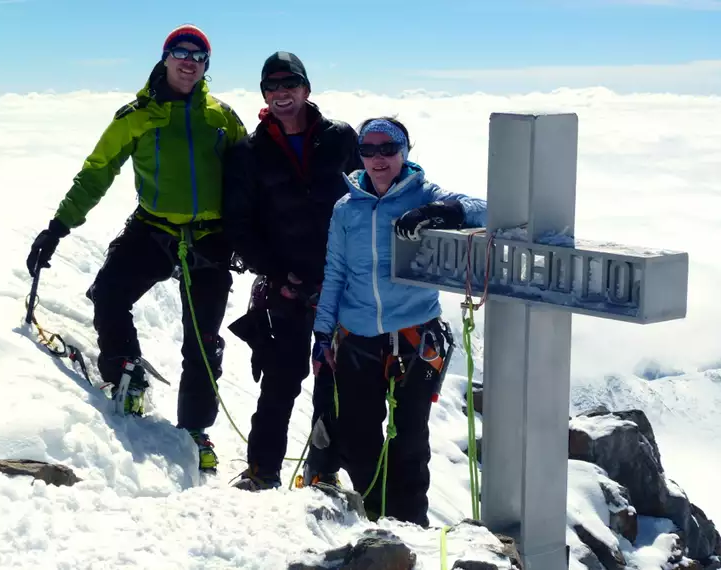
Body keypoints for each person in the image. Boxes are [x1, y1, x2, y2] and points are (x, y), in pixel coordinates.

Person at [25, 24, 248, 473]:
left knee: (203, 343)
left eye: (199, 56)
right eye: (180, 53)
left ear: (206, 66)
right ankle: (125, 372)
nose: (189, 61)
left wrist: (250, 237)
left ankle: (195, 431)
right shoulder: (136, 115)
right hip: (151, 229)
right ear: (165, 58)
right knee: (108, 294)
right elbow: (97, 171)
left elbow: (250, 178)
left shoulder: (221, 117)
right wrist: (58, 226)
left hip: (209, 239)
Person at [311, 117, 487, 526]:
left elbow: (489, 209)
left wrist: (440, 210)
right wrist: (322, 334)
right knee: (359, 437)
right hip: (356, 335)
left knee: (410, 438)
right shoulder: (346, 206)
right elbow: (335, 272)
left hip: (414, 335)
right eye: (368, 150)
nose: (378, 158)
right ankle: (376, 515)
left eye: (387, 148)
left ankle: (411, 525)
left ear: (405, 152)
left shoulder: (423, 193)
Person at [223, 51, 362, 491]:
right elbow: (238, 223)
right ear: (264, 94)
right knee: (281, 378)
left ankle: (323, 472)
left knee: (333, 381)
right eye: (272, 87)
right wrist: (278, 276)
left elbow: (368, 197)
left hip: (338, 283)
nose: (282, 94)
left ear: (306, 89)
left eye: (290, 85)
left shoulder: (340, 139)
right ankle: (263, 471)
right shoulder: (249, 150)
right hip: (284, 285)